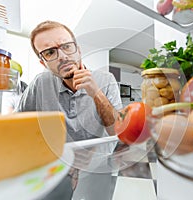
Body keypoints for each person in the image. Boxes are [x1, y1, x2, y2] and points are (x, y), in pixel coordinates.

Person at [14, 20, 122, 199]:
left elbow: (117, 130)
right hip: (53, 171)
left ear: (78, 50)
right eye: (50, 52)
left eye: (66, 46)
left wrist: (96, 93)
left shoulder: (106, 79)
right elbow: (18, 127)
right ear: (43, 63)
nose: (62, 56)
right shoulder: (40, 83)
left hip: (97, 169)